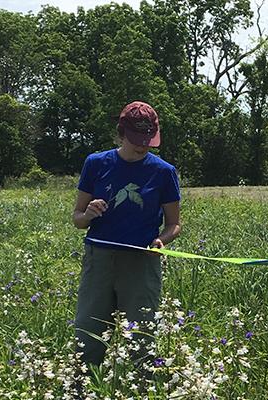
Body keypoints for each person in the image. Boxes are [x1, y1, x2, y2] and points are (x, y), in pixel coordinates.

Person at [72, 100, 181, 368]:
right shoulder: (96, 164)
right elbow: (77, 219)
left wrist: (161, 240)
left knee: (141, 339)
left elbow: (174, 225)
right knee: (89, 333)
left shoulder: (164, 172)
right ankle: (83, 388)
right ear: (121, 133)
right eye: (136, 138)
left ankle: (141, 389)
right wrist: (87, 214)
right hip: (100, 260)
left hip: (141, 262)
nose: (143, 144)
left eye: (148, 138)